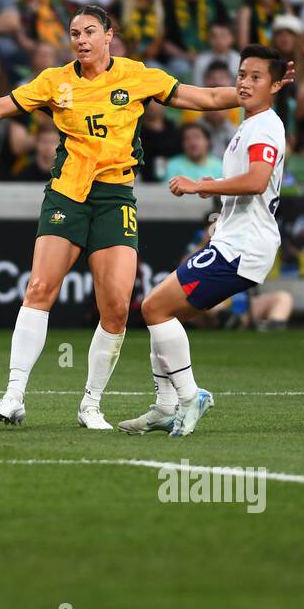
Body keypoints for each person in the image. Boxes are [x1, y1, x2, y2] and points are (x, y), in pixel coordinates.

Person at [0, 6, 293, 429]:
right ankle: (13, 395)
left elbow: (207, 98)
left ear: (110, 35)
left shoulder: (137, 76)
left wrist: (260, 89)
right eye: (74, 33)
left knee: (117, 308)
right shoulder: (55, 81)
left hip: (115, 199)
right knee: (39, 287)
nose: (81, 40)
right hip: (67, 194)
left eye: (90, 31)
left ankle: (91, 404)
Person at [119, 45, 287, 437]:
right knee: (163, 313)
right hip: (232, 241)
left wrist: (202, 185)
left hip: (243, 247)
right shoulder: (249, 123)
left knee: (155, 309)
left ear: (275, 85)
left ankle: (189, 396)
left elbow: (258, 180)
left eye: (256, 77)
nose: (245, 83)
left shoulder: (264, 126)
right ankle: (164, 407)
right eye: (242, 74)